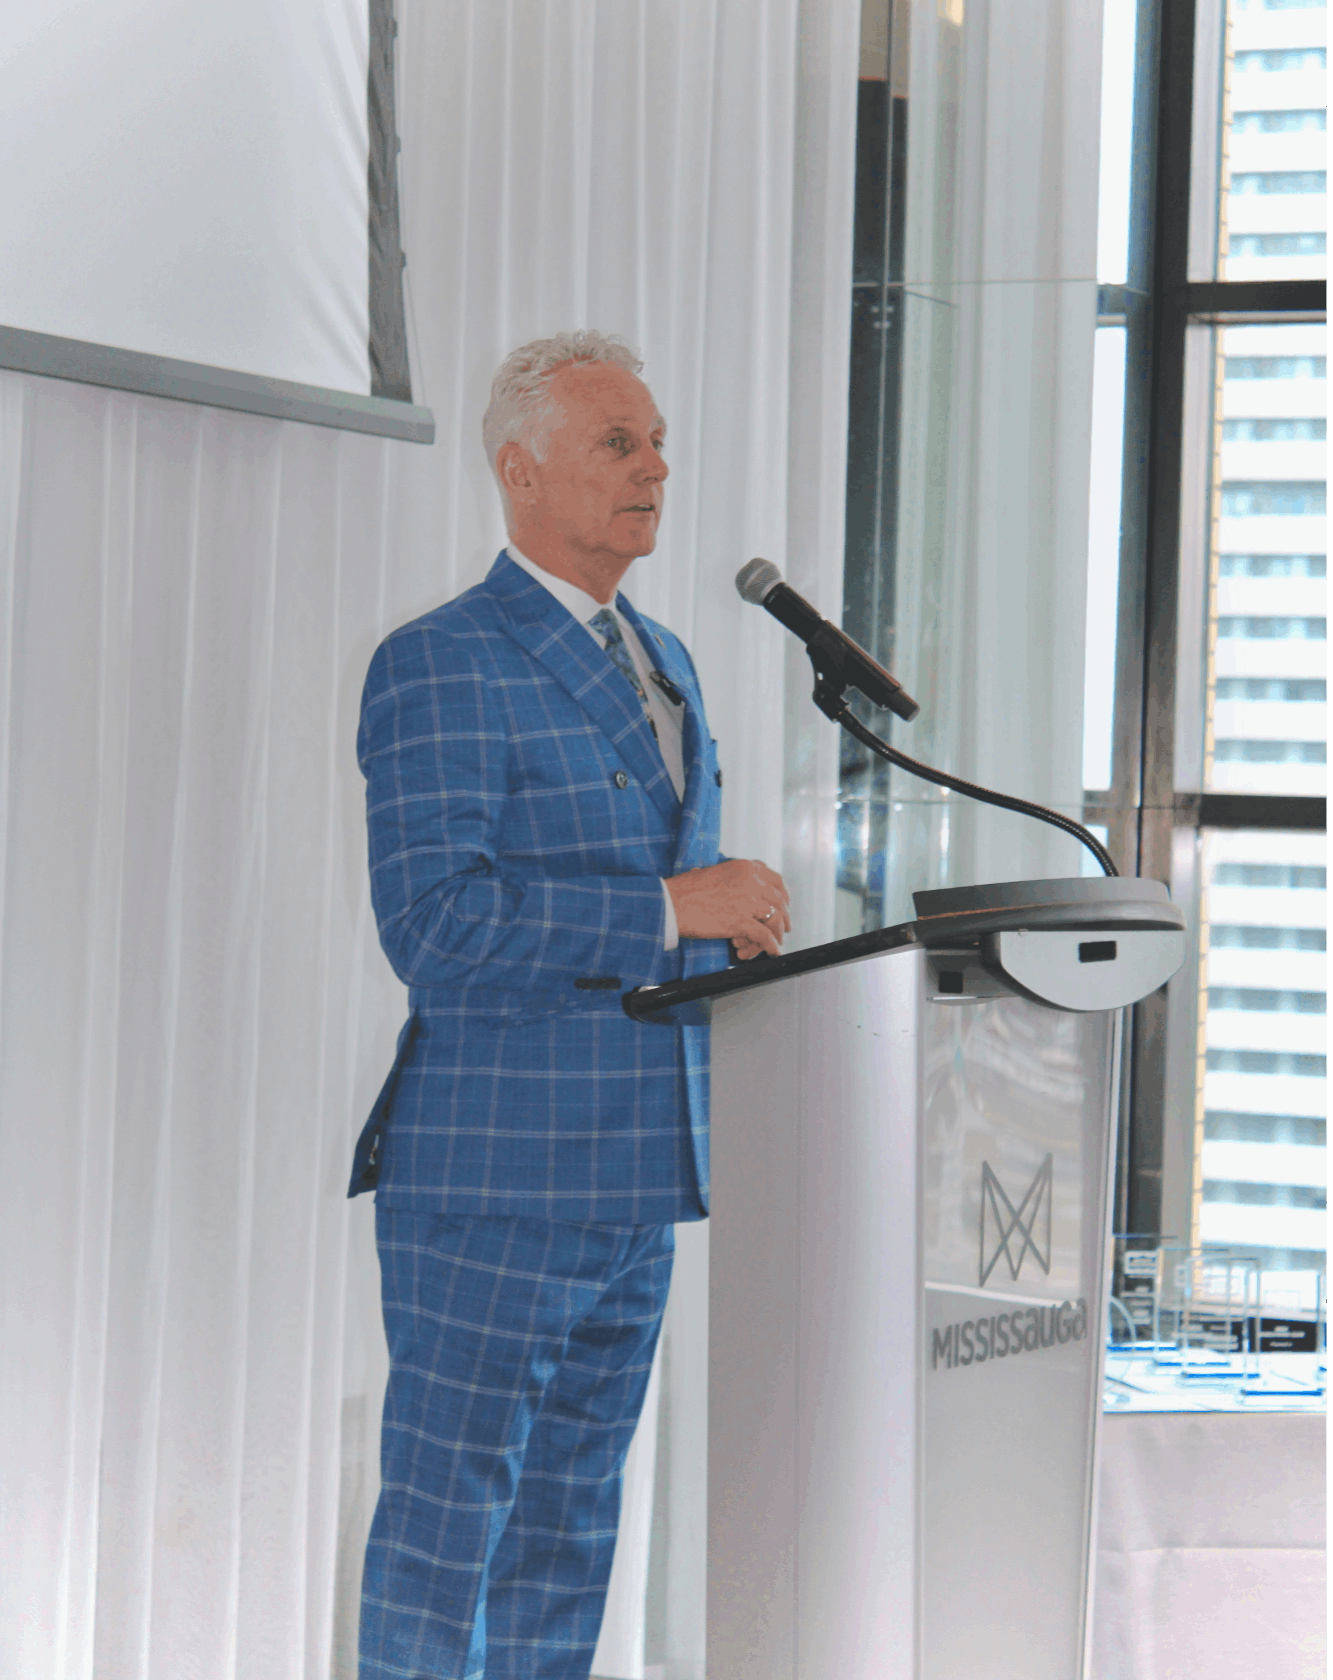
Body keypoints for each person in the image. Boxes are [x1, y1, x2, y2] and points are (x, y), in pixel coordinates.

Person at [349, 329, 791, 1678]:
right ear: (520, 471)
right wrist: (674, 908)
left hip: (639, 1170)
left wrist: (733, 934)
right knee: (449, 1534)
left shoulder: (666, 658)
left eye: (656, 442)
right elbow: (436, 927)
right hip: (495, 1177)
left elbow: (666, 889)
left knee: (570, 1530)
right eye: (617, 443)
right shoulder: (443, 660)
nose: (653, 467)